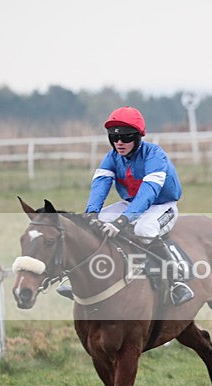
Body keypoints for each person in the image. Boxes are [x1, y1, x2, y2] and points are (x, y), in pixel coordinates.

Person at [69, 106, 193, 306]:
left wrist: (123, 220)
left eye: (126, 137)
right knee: (90, 225)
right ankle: (86, 280)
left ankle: (176, 281)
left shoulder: (154, 155)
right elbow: (100, 185)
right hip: (130, 203)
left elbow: (148, 193)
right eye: (114, 137)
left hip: (161, 205)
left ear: (137, 137)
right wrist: (91, 213)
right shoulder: (111, 157)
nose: (119, 142)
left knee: (144, 229)